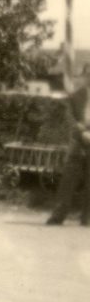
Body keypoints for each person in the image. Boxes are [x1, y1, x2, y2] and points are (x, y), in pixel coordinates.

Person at [46, 65, 90, 226]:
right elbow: (70, 119)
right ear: (85, 77)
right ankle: (58, 215)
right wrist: (81, 132)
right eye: (89, 75)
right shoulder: (75, 96)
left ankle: (87, 217)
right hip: (79, 140)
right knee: (68, 178)